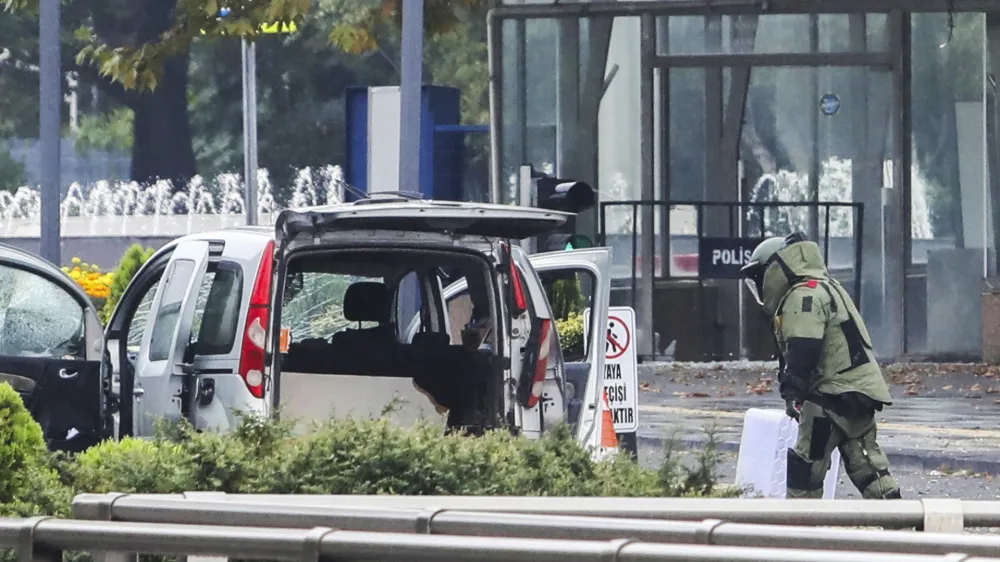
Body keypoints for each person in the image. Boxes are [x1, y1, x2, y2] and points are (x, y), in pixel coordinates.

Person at [739, 232, 901, 500]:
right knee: (869, 467)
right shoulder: (827, 286)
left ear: (776, 269)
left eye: (760, 276)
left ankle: (804, 533)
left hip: (828, 398)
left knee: (806, 470)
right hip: (860, 394)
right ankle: (903, 530)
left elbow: (804, 348)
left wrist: (793, 392)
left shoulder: (802, 295)